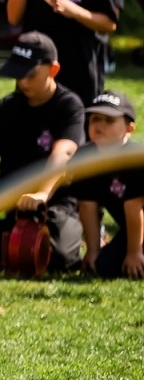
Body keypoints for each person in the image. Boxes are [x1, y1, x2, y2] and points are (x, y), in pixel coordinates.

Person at [0, 32, 85, 271]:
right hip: (12, 194)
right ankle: (1, 233)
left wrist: (41, 194)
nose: (23, 83)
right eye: (18, 74)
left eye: (30, 75)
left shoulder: (69, 106)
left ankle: (29, 237)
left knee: (60, 261)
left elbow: (62, 154)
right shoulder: (7, 106)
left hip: (53, 199)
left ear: (53, 70)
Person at [69, 91, 144, 279]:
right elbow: (87, 206)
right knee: (104, 267)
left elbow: (135, 208)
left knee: (134, 266)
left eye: (109, 120)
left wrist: (135, 252)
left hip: (138, 225)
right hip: (131, 230)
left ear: (129, 128)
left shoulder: (135, 159)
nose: (99, 125)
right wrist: (92, 251)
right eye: (94, 118)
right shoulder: (85, 157)